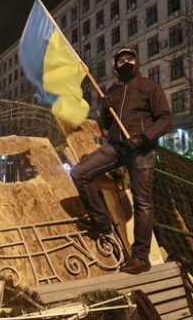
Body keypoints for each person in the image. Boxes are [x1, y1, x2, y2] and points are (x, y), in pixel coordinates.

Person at [71, 47, 172, 274]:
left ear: (136, 62)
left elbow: (165, 119)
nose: (125, 62)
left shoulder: (149, 87)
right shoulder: (113, 90)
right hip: (116, 147)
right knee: (80, 173)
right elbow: (107, 125)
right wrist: (105, 111)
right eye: (121, 60)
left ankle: (140, 258)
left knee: (142, 203)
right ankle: (101, 221)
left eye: (130, 58)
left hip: (142, 151)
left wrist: (145, 137)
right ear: (115, 66)